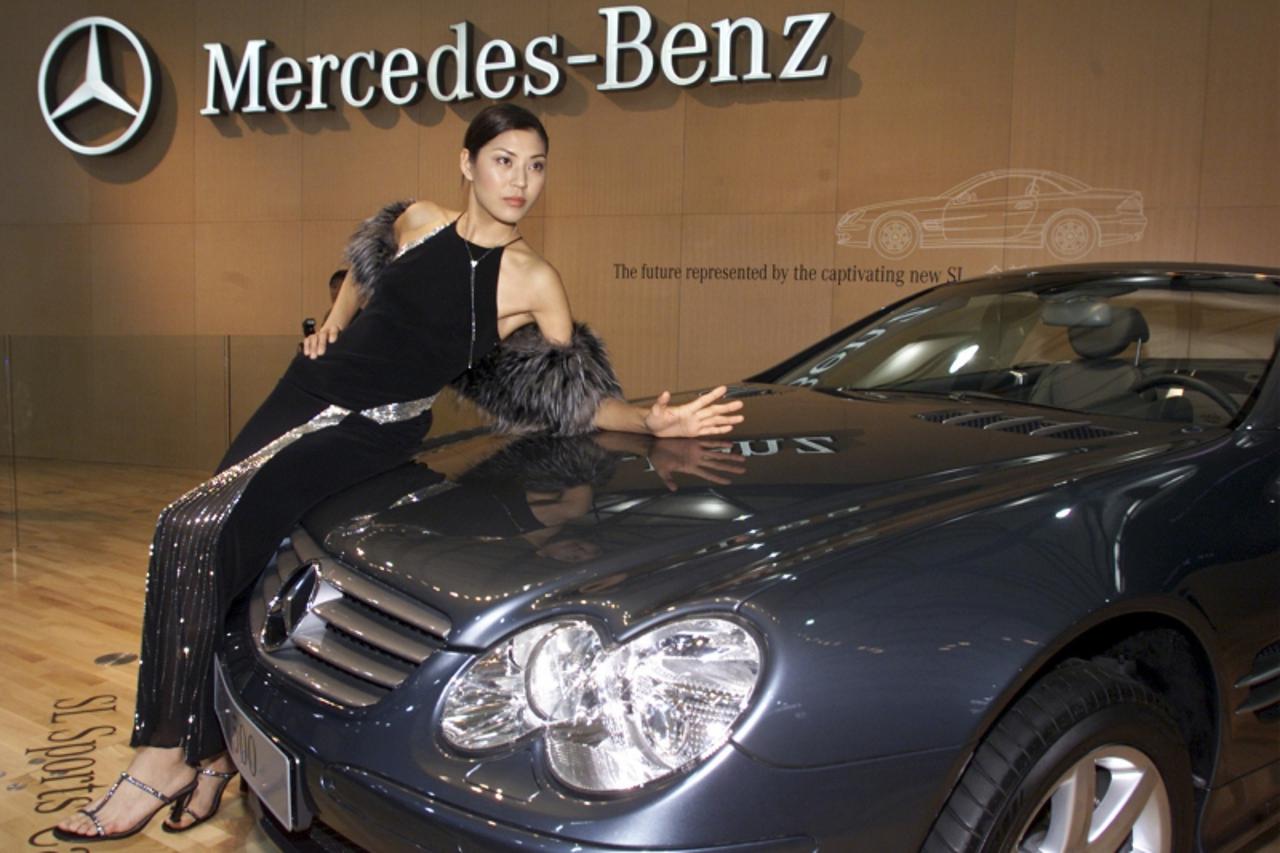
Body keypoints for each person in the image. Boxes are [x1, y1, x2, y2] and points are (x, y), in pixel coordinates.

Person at [54, 103, 744, 842]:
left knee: (193, 527)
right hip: (304, 395)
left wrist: (649, 421)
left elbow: (570, 395)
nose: (520, 180)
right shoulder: (415, 220)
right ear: (467, 163)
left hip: (366, 432)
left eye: (536, 165)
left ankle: (162, 755)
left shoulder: (534, 280)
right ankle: (215, 749)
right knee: (222, 547)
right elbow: (362, 273)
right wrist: (331, 325)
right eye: (504, 160)